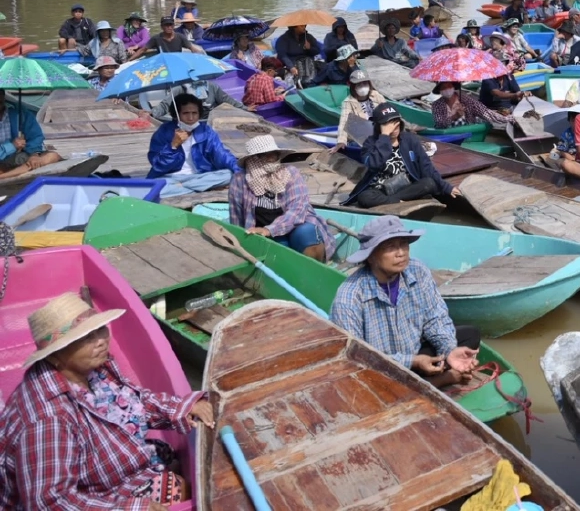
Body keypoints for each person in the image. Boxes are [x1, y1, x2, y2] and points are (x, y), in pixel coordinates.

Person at [0, 293, 213, 509]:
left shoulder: (93, 369)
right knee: (176, 487)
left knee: (176, 466)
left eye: (99, 330)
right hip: (83, 494)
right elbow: (49, 503)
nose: (101, 341)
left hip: (102, 470)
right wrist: (132, 508)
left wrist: (181, 408)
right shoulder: (47, 420)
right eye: (85, 338)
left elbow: (134, 402)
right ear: (54, 355)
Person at [330, 216, 482, 389]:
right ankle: (438, 381)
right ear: (371, 257)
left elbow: (435, 318)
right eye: (390, 247)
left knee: (470, 334)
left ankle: (428, 378)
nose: (401, 253)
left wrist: (448, 350)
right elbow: (355, 356)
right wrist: (412, 362)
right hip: (379, 367)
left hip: (416, 353)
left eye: (403, 244)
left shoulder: (417, 270)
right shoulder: (350, 297)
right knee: (364, 379)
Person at [226, 134, 333, 261]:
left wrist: (269, 230)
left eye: (274, 153)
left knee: (307, 234)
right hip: (263, 231)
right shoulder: (240, 180)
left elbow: (297, 210)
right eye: (265, 154)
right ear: (253, 159)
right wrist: (239, 244)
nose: (272, 157)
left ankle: (315, 271)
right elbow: (236, 218)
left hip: (295, 225)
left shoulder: (291, 173)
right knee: (281, 251)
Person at [349, 104, 452, 208]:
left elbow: (427, 167)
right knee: (364, 197)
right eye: (388, 125)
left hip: (406, 187)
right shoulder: (370, 143)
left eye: (396, 124)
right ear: (379, 126)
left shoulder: (410, 140)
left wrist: (447, 188)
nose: (394, 129)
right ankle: (395, 200)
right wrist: (384, 136)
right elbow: (373, 164)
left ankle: (395, 200)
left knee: (429, 183)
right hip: (381, 190)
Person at [146, 93, 239, 197]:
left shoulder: (206, 131)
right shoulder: (163, 132)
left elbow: (221, 154)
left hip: (200, 176)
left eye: (194, 113)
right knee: (153, 188)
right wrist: (173, 146)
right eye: (185, 113)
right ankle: (203, 188)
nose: (191, 118)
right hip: (170, 178)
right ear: (176, 114)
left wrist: (238, 170)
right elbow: (159, 166)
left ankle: (183, 188)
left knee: (229, 174)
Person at [0, 89, 61, 183]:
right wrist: (12, 146)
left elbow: (35, 136)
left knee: (53, 156)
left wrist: (34, 155)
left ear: (3, 95)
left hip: (14, 160)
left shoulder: (18, 112)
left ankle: (5, 176)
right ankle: (11, 174)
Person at [335, 68, 387, 148]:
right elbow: (344, 122)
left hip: (379, 132)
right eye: (359, 84)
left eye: (365, 83)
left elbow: (389, 111)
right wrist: (341, 141)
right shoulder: (348, 102)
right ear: (353, 87)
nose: (362, 87)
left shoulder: (376, 95)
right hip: (361, 138)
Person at [431, 80, 511, 128]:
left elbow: (485, 112)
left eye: (449, 86)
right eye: (443, 87)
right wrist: (454, 116)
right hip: (448, 136)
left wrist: (508, 119)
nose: (447, 89)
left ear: (453, 87)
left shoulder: (466, 100)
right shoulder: (437, 105)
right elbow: (439, 123)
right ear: (440, 91)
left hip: (467, 134)